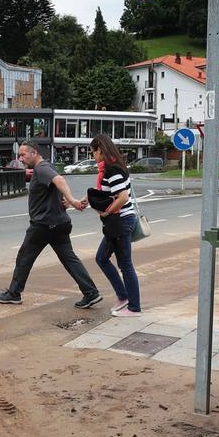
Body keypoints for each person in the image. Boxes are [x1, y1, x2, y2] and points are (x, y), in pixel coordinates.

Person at [0, 140, 102, 309]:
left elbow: (60, 181)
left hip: (44, 225)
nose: (21, 159)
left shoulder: (41, 168)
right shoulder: (46, 166)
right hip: (59, 223)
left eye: (23, 155)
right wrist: (63, 200)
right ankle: (91, 293)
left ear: (34, 152)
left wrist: (71, 200)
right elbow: (56, 186)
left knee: (24, 258)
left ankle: (14, 294)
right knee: (70, 259)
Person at [82, 134, 142, 317]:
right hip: (119, 222)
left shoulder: (112, 170)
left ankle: (134, 307)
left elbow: (122, 197)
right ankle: (124, 297)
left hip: (121, 221)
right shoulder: (113, 168)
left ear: (100, 149)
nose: (94, 156)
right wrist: (86, 201)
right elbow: (106, 194)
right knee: (102, 258)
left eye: (93, 152)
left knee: (125, 265)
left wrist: (107, 212)